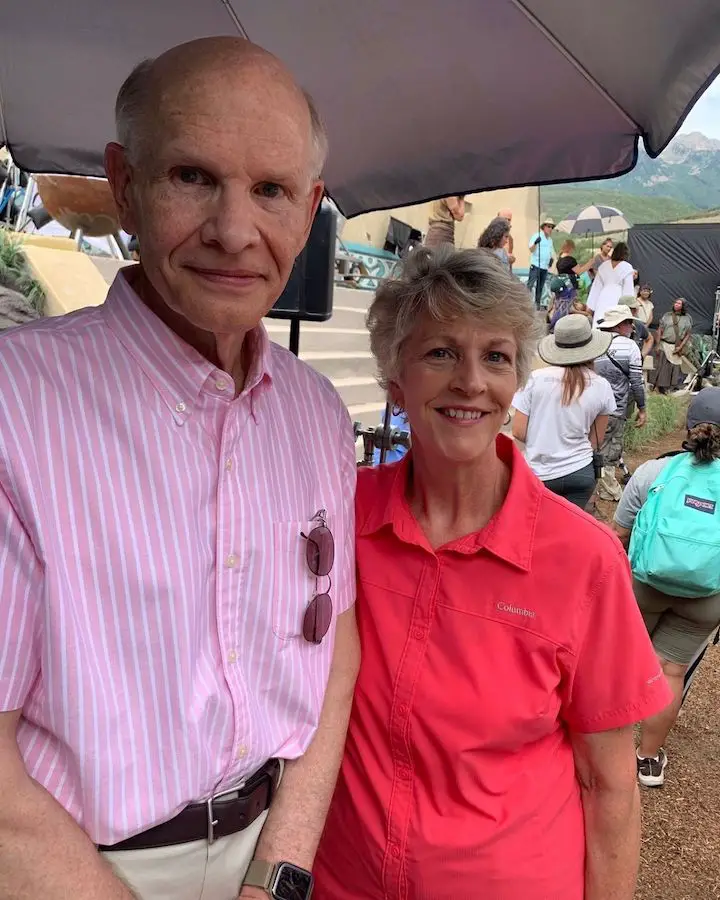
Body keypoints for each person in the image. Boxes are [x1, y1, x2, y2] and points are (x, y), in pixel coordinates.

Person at [0, 37, 360, 900]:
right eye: (193, 177)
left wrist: (280, 870)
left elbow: (330, 645)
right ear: (124, 184)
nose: (235, 232)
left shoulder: (316, 414)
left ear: (308, 211)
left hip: (263, 853)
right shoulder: (15, 407)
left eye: (270, 190)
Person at [312, 246, 672, 900]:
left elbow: (609, 782)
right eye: (441, 353)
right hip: (343, 883)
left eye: (496, 356)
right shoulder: (342, 517)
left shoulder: (582, 558)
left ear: (515, 383)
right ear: (395, 381)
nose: (471, 381)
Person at [613, 388, 720, 788]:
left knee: (623, 661)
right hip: (706, 598)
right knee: (670, 671)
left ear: (689, 426)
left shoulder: (654, 473)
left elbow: (619, 532)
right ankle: (647, 760)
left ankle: (608, 744)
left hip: (646, 583)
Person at [512, 315, 616, 509]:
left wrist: (544, 439)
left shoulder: (535, 379)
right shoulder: (602, 386)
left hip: (538, 473)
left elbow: (518, 431)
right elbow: (596, 439)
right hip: (580, 472)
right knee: (570, 534)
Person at [594, 305, 647, 501]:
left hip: (590, 406)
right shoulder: (630, 346)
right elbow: (636, 382)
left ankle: (595, 482)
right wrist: (642, 408)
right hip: (615, 407)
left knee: (591, 443)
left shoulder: (594, 342)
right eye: (629, 323)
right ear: (620, 325)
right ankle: (607, 489)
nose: (632, 327)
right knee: (611, 448)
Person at [650, 298, 694, 394]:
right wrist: (657, 344)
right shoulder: (667, 316)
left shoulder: (688, 318)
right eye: (676, 302)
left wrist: (681, 346)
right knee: (661, 367)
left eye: (679, 303)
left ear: (683, 306)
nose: (676, 304)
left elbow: (687, 334)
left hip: (676, 347)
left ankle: (668, 388)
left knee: (673, 368)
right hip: (664, 344)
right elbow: (660, 330)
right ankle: (657, 387)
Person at [587, 241, 635, 325]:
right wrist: (629, 307)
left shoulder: (603, 266)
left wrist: (591, 306)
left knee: (600, 319)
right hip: (617, 297)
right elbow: (628, 290)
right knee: (614, 323)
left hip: (602, 297)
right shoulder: (627, 267)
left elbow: (596, 287)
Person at [526, 217, 555, 307]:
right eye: (549, 226)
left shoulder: (550, 240)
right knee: (530, 284)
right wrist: (535, 243)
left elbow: (551, 252)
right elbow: (531, 249)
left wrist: (551, 259)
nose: (550, 229)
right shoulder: (537, 236)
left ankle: (537, 304)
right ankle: (525, 302)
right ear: (544, 227)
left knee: (540, 286)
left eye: (552, 227)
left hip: (544, 266)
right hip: (536, 265)